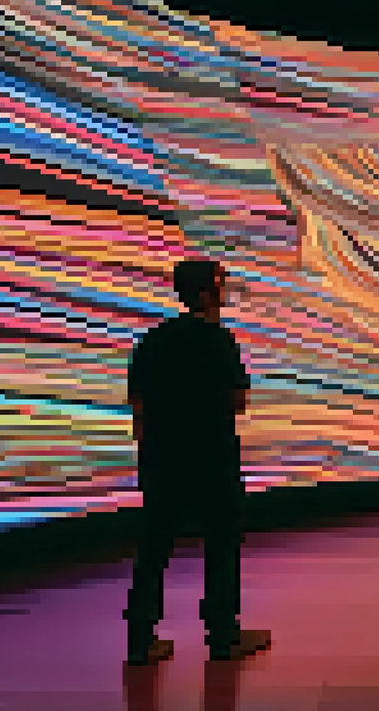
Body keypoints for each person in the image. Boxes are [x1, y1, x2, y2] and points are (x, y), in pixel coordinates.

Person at [124, 259, 271, 665]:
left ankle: (141, 640)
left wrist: (149, 452)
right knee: (222, 545)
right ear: (206, 294)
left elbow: (137, 406)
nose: (224, 294)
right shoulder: (218, 341)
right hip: (213, 459)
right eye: (220, 286)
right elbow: (238, 401)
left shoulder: (152, 342)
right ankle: (223, 636)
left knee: (154, 548)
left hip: (163, 460)